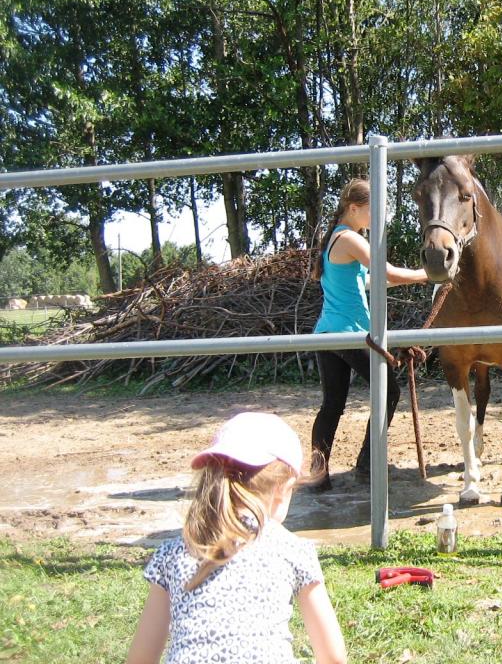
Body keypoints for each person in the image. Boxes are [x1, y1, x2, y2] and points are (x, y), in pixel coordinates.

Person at [126, 411, 347, 664]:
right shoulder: (293, 549)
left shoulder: (172, 553)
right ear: (282, 489)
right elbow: (333, 658)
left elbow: (140, 659)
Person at [311, 178, 428, 488]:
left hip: (327, 333)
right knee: (390, 391)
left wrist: (413, 278)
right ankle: (367, 465)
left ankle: (318, 476)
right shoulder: (349, 238)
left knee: (332, 404)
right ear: (353, 208)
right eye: (372, 211)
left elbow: (375, 281)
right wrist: (426, 275)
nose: (376, 218)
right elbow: (387, 271)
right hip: (349, 334)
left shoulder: (338, 239)